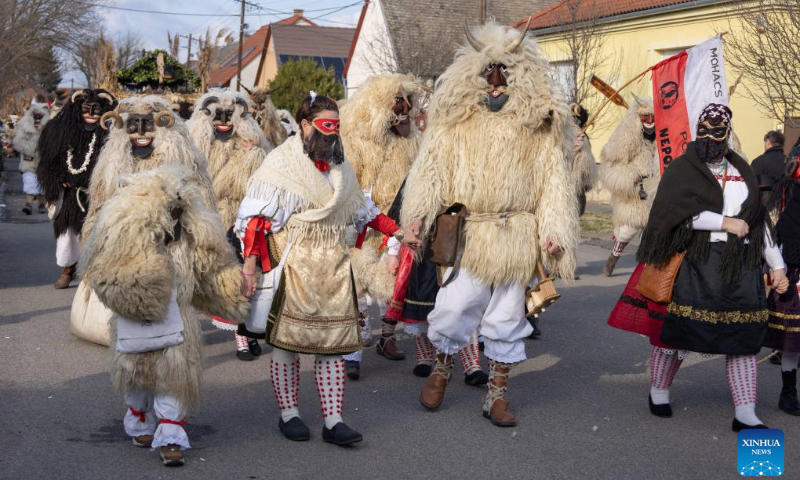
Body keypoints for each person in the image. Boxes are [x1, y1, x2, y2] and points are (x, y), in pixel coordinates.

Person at [400, 21, 579, 427]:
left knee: (506, 319)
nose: (496, 82)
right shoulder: (454, 122)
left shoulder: (538, 126)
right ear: (473, 75)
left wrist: (553, 232)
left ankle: (497, 393)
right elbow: (431, 174)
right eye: (487, 73)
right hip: (471, 234)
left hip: (517, 236)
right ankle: (442, 369)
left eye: (505, 73)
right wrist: (417, 219)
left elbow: (552, 183)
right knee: (454, 307)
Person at [235, 93, 419, 445]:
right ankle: (289, 414)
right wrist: (249, 268)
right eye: (326, 126)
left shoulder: (341, 166)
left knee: (332, 346)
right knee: (287, 345)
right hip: (294, 264)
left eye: (337, 127)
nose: (333, 133)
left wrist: (398, 233)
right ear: (305, 126)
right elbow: (256, 221)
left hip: (334, 266)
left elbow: (364, 209)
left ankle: (333, 421)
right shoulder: (280, 164)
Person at [630, 103, 787, 431]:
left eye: (718, 132)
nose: (710, 138)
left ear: (728, 134)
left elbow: (759, 225)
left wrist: (778, 266)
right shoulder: (682, 169)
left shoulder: (742, 169)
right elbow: (672, 214)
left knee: (742, 340)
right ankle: (658, 391)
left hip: (741, 268)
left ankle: (745, 413)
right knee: (677, 337)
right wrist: (724, 223)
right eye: (704, 131)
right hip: (697, 264)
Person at [81, 166, 249, 466]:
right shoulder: (125, 234)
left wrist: (231, 287)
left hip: (179, 318)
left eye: (177, 209)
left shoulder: (193, 234)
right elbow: (104, 270)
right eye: (167, 210)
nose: (173, 216)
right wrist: (137, 286)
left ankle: (171, 436)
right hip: (135, 315)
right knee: (135, 373)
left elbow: (210, 267)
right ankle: (140, 419)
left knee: (174, 376)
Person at [339, 74, 429, 378]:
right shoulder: (358, 139)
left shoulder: (413, 141)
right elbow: (350, 183)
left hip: (401, 222)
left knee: (396, 284)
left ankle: (387, 336)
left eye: (408, 102)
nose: (404, 109)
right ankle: (353, 348)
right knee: (356, 283)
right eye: (397, 102)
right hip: (365, 223)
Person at [188, 89, 271, 361]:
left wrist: (253, 155)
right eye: (217, 116)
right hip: (207, 221)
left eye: (229, 116)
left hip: (240, 219)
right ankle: (238, 333)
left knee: (245, 275)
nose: (224, 122)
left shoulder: (249, 146)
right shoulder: (195, 148)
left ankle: (243, 335)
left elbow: (261, 181)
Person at [37, 89, 117, 288]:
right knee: (67, 235)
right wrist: (56, 180)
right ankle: (68, 269)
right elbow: (48, 162)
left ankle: (94, 274)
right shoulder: (60, 131)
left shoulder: (112, 135)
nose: (90, 114)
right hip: (71, 194)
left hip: (98, 194)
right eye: (86, 109)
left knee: (98, 233)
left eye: (96, 110)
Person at [599, 95, 658, 276]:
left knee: (656, 232)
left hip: (656, 192)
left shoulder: (660, 140)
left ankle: (650, 268)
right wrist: (631, 176)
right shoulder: (624, 139)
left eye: (652, 118)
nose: (649, 122)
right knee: (627, 231)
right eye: (645, 117)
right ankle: (612, 259)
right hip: (635, 195)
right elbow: (612, 165)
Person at [764, 145, 800, 416]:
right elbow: (785, 233)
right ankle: (788, 393)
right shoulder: (795, 197)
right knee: (793, 341)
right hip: (796, 272)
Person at [13, 103, 49, 215]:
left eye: (40, 115)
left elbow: (54, 142)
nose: (37, 117)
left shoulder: (49, 126)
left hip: (44, 160)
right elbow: (17, 142)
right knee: (29, 182)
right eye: (35, 115)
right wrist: (32, 148)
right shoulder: (24, 125)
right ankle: (28, 204)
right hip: (28, 160)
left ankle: (41, 204)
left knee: (42, 183)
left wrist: (43, 131)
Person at [752, 130, 786, 205]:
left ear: (768, 142)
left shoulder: (759, 161)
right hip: (786, 207)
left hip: (764, 208)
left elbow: (751, 186)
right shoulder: (789, 162)